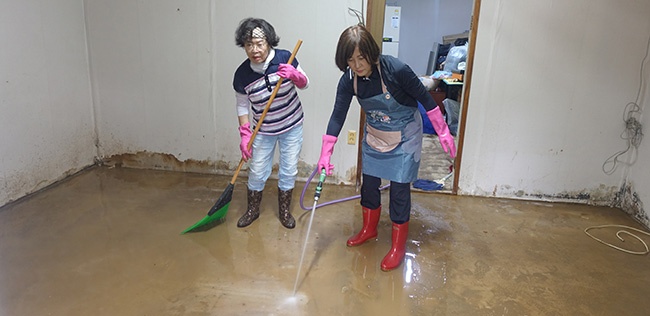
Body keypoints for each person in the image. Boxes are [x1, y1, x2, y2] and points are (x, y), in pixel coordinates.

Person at [317, 25, 456, 271]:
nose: (357, 65)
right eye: (351, 60)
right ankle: (369, 229)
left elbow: (426, 101)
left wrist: (443, 130)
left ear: (372, 53)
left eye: (361, 58)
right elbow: (338, 115)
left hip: (405, 135)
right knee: (369, 184)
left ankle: (397, 246)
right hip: (375, 135)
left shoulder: (396, 70)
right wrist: (325, 152)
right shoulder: (349, 80)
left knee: (399, 190)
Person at [233, 18, 309, 229]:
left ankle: (284, 212)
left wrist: (294, 75)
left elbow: (305, 83)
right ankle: (252, 210)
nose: (254, 49)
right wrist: (244, 132)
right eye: (249, 44)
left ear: (269, 42)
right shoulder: (242, 74)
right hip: (263, 130)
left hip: (292, 126)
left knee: (288, 169)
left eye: (259, 43)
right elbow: (242, 105)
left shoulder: (285, 57)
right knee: (257, 169)